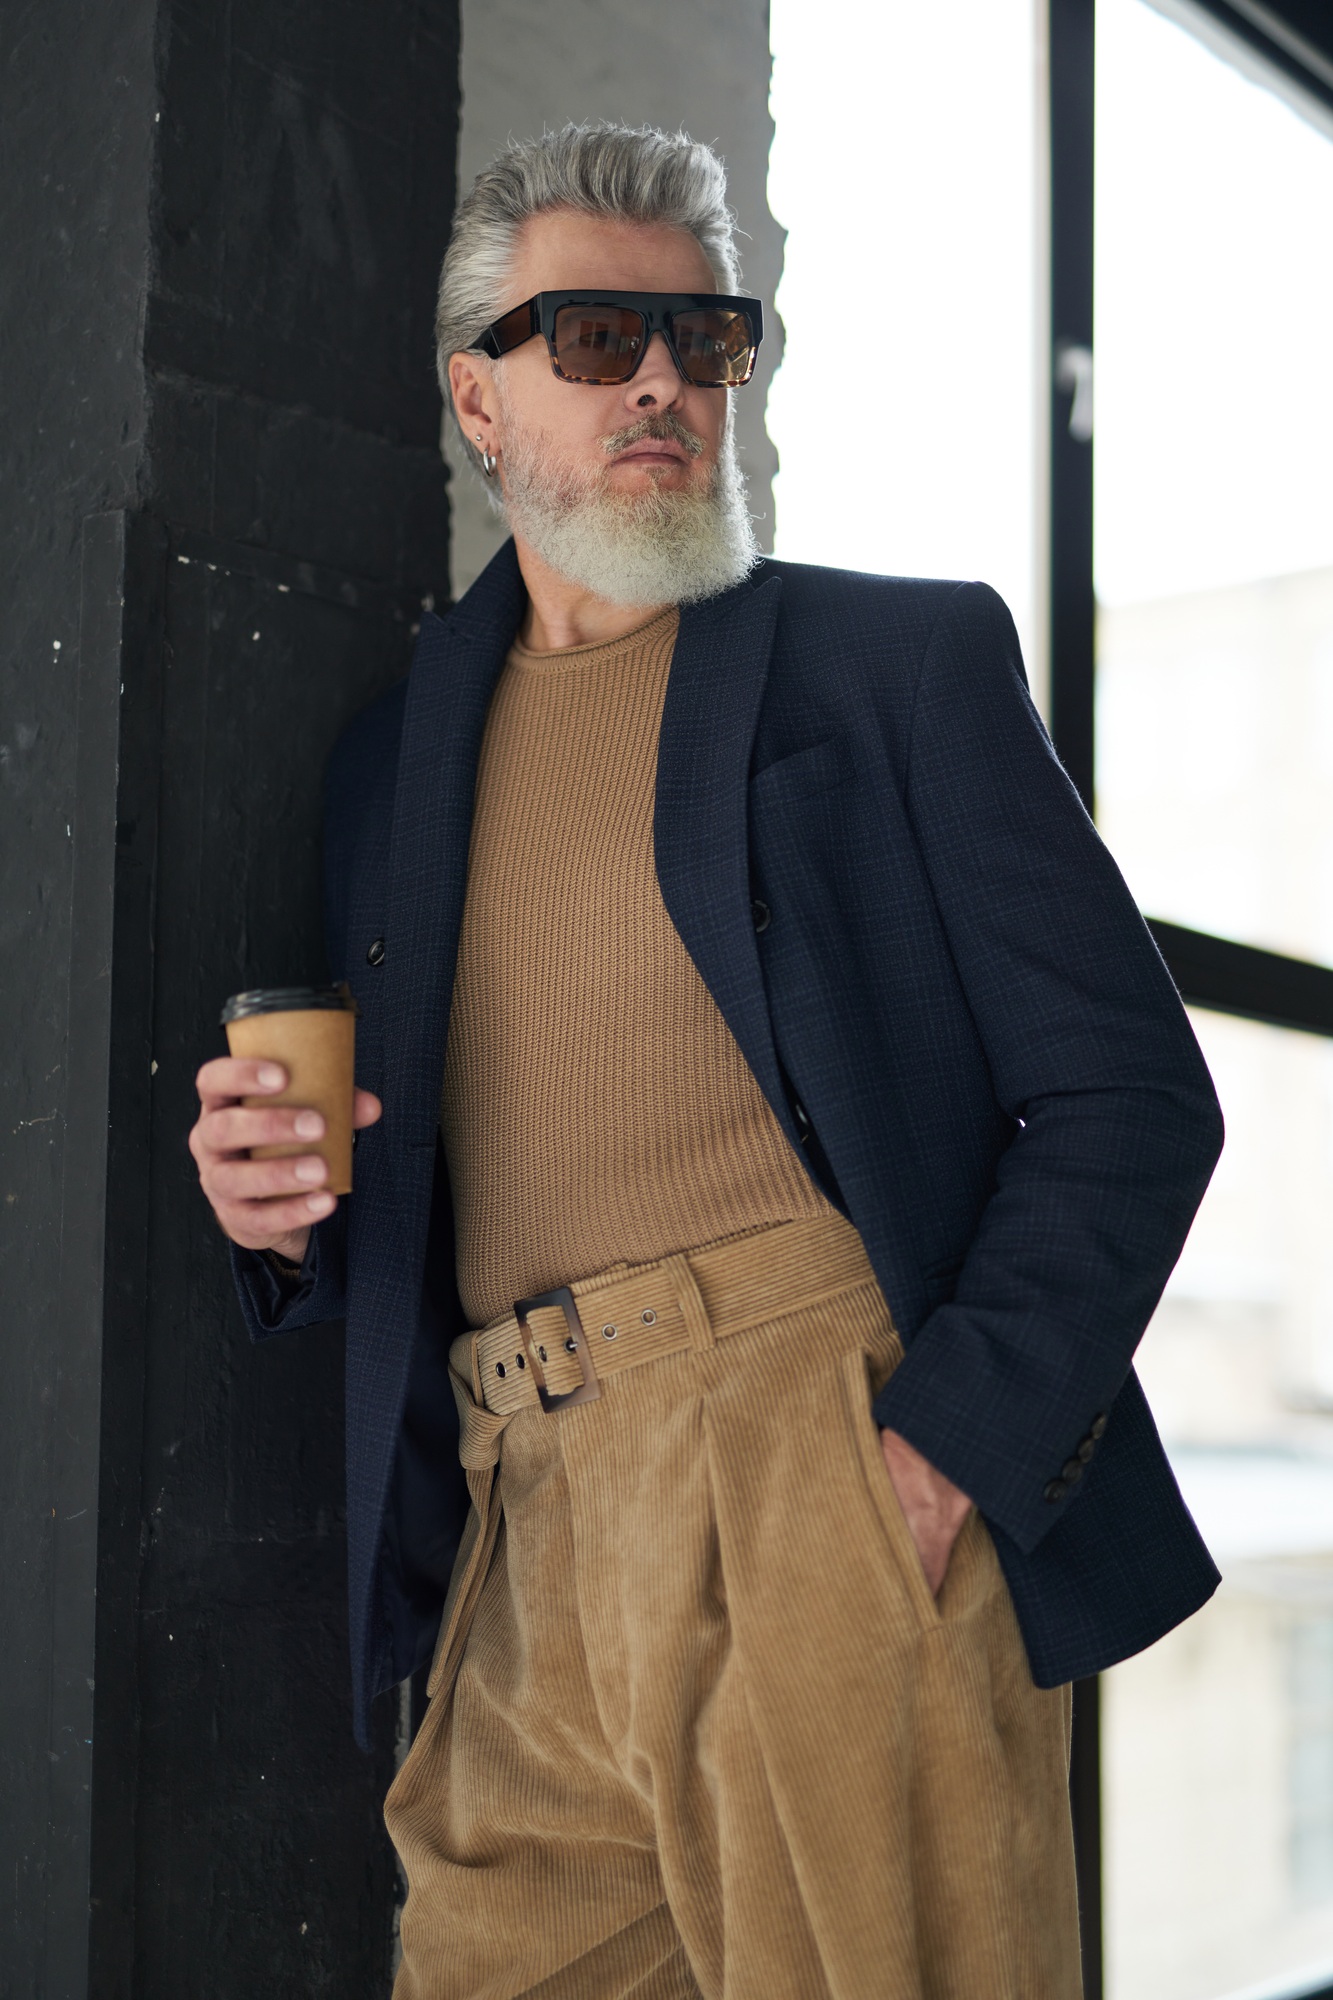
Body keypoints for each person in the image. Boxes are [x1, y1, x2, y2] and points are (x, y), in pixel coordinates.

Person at [189, 121, 1223, 1999]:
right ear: (478, 403)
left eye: (703, 339)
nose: (661, 377)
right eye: (592, 338)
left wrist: (931, 1467)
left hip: (818, 1482)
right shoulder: (386, 766)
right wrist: (280, 1220)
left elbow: (1128, 1097)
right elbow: (424, 1178)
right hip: (516, 1539)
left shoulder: (890, 669)